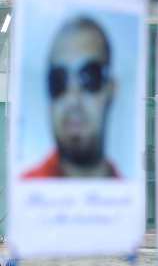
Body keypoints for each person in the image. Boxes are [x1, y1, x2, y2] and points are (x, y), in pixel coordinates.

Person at [24, 16, 120, 179]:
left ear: (110, 89)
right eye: (58, 81)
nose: (72, 100)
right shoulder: (24, 193)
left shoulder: (133, 196)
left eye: (89, 77)